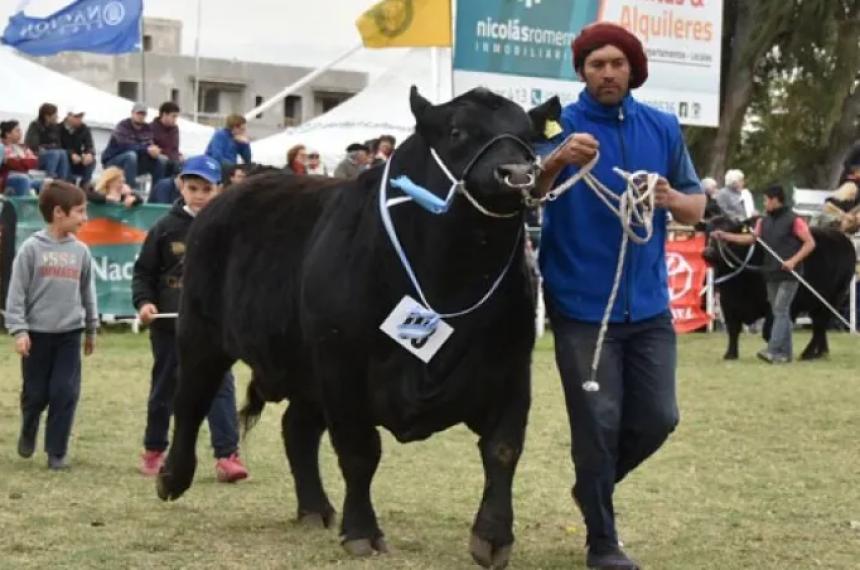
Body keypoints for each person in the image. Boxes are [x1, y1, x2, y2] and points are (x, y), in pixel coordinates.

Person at [533, 22, 705, 569]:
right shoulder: (557, 124)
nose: (607, 73)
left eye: (616, 64)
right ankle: (602, 542)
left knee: (659, 417)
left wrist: (669, 196)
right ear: (581, 71)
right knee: (597, 421)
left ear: (633, 68)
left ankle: (594, 489)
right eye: (595, 64)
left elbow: (696, 206)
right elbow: (527, 193)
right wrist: (556, 159)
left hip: (650, 305)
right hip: (581, 306)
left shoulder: (663, 126)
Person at [132, 155, 249, 482]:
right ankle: (155, 449)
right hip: (170, 327)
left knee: (221, 389)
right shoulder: (164, 228)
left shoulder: (228, 229)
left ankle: (227, 455)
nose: (199, 195)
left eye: (207, 189)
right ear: (181, 186)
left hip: (214, 329)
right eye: (193, 187)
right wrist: (144, 303)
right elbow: (143, 273)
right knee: (165, 387)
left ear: (219, 190)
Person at [4, 180, 98, 470]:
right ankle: (29, 424)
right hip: (36, 336)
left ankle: (57, 450)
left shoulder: (81, 251)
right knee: (36, 394)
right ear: (59, 212)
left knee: (65, 391)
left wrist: (91, 327)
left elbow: (88, 291)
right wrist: (19, 330)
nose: (85, 218)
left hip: (69, 334)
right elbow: (16, 293)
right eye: (80, 211)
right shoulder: (31, 249)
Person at [713, 185, 816, 363]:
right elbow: (751, 239)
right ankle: (786, 353)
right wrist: (726, 236)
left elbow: (810, 243)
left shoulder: (794, 220)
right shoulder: (763, 222)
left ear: (776, 200)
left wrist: (793, 261)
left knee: (781, 310)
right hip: (771, 273)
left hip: (790, 274)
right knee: (779, 313)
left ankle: (773, 350)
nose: (764, 203)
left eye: (766, 200)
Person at [101, 102, 167, 189]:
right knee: (131, 155)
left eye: (143, 114)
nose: (141, 116)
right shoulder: (122, 126)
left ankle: (156, 195)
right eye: (138, 113)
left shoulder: (147, 128)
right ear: (132, 113)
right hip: (113, 161)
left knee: (161, 160)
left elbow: (149, 145)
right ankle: (129, 192)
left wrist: (154, 151)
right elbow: (126, 146)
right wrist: (147, 149)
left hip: (134, 163)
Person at [25, 103, 70, 182]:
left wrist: (50, 147)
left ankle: (62, 181)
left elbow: (58, 145)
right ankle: (49, 180)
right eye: (55, 115)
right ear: (47, 116)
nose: (57, 117)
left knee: (63, 152)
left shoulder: (54, 127)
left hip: (50, 154)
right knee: (54, 153)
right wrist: (51, 146)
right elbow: (33, 145)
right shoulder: (35, 125)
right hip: (37, 156)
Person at [1, 120, 39, 196]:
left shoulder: (22, 147)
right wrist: (24, 161)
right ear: (8, 134)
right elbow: (13, 164)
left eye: (20, 130)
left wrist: (21, 161)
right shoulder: (3, 147)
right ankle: (23, 207)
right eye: (17, 131)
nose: (20, 133)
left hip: (26, 175)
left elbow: (35, 162)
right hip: (9, 177)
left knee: (47, 182)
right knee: (22, 179)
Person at [60, 107, 96, 186]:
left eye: (81, 117)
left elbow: (89, 145)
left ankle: (85, 185)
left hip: (78, 159)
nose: (79, 119)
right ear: (69, 116)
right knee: (63, 157)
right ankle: (69, 184)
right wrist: (71, 154)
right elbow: (57, 146)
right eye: (77, 116)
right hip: (65, 159)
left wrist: (89, 153)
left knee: (91, 160)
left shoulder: (84, 129)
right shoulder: (59, 128)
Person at [151, 101, 183, 178]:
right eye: (173, 116)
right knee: (165, 162)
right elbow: (152, 147)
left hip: (172, 160)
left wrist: (178, 157)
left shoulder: (175, 129)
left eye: (176, 117)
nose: (175, 119)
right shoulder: (151, 128)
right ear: (164, 114)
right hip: (156, 160)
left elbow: (175, 148)